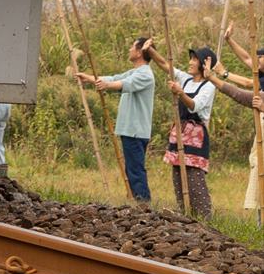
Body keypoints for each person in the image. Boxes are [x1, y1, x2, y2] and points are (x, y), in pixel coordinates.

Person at [77, 36, 157, 205]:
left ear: (140, 52)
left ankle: (144, 205)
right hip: (130, 129)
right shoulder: (136, 72)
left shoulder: (145, 75)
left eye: (132, 47)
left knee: (135, 170)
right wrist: (90, 78)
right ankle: (138, 202)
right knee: (132, 169)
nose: (129, 49)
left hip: (135, 130)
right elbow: (115, 78)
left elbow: (123, 84)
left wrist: (106, 86)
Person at [161, 47, 218, 217]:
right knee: (178, 177)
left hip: (195, 137)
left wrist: (180, 93)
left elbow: (194, 105)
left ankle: (204, 217)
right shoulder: (186, 80)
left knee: (194, 179)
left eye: (194, 59)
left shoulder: (209, 86)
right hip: (180, 133)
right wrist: (150, 50)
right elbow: (166, 65)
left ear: (204, 65)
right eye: (191, 58)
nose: (190, 62)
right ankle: (185, 215)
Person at [219, 24, 262, 224]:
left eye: (260, 58)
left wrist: (224, 74)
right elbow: (246, 58)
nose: (257, 61)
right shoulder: (261, 73)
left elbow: (246, 84)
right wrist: (229, 40)